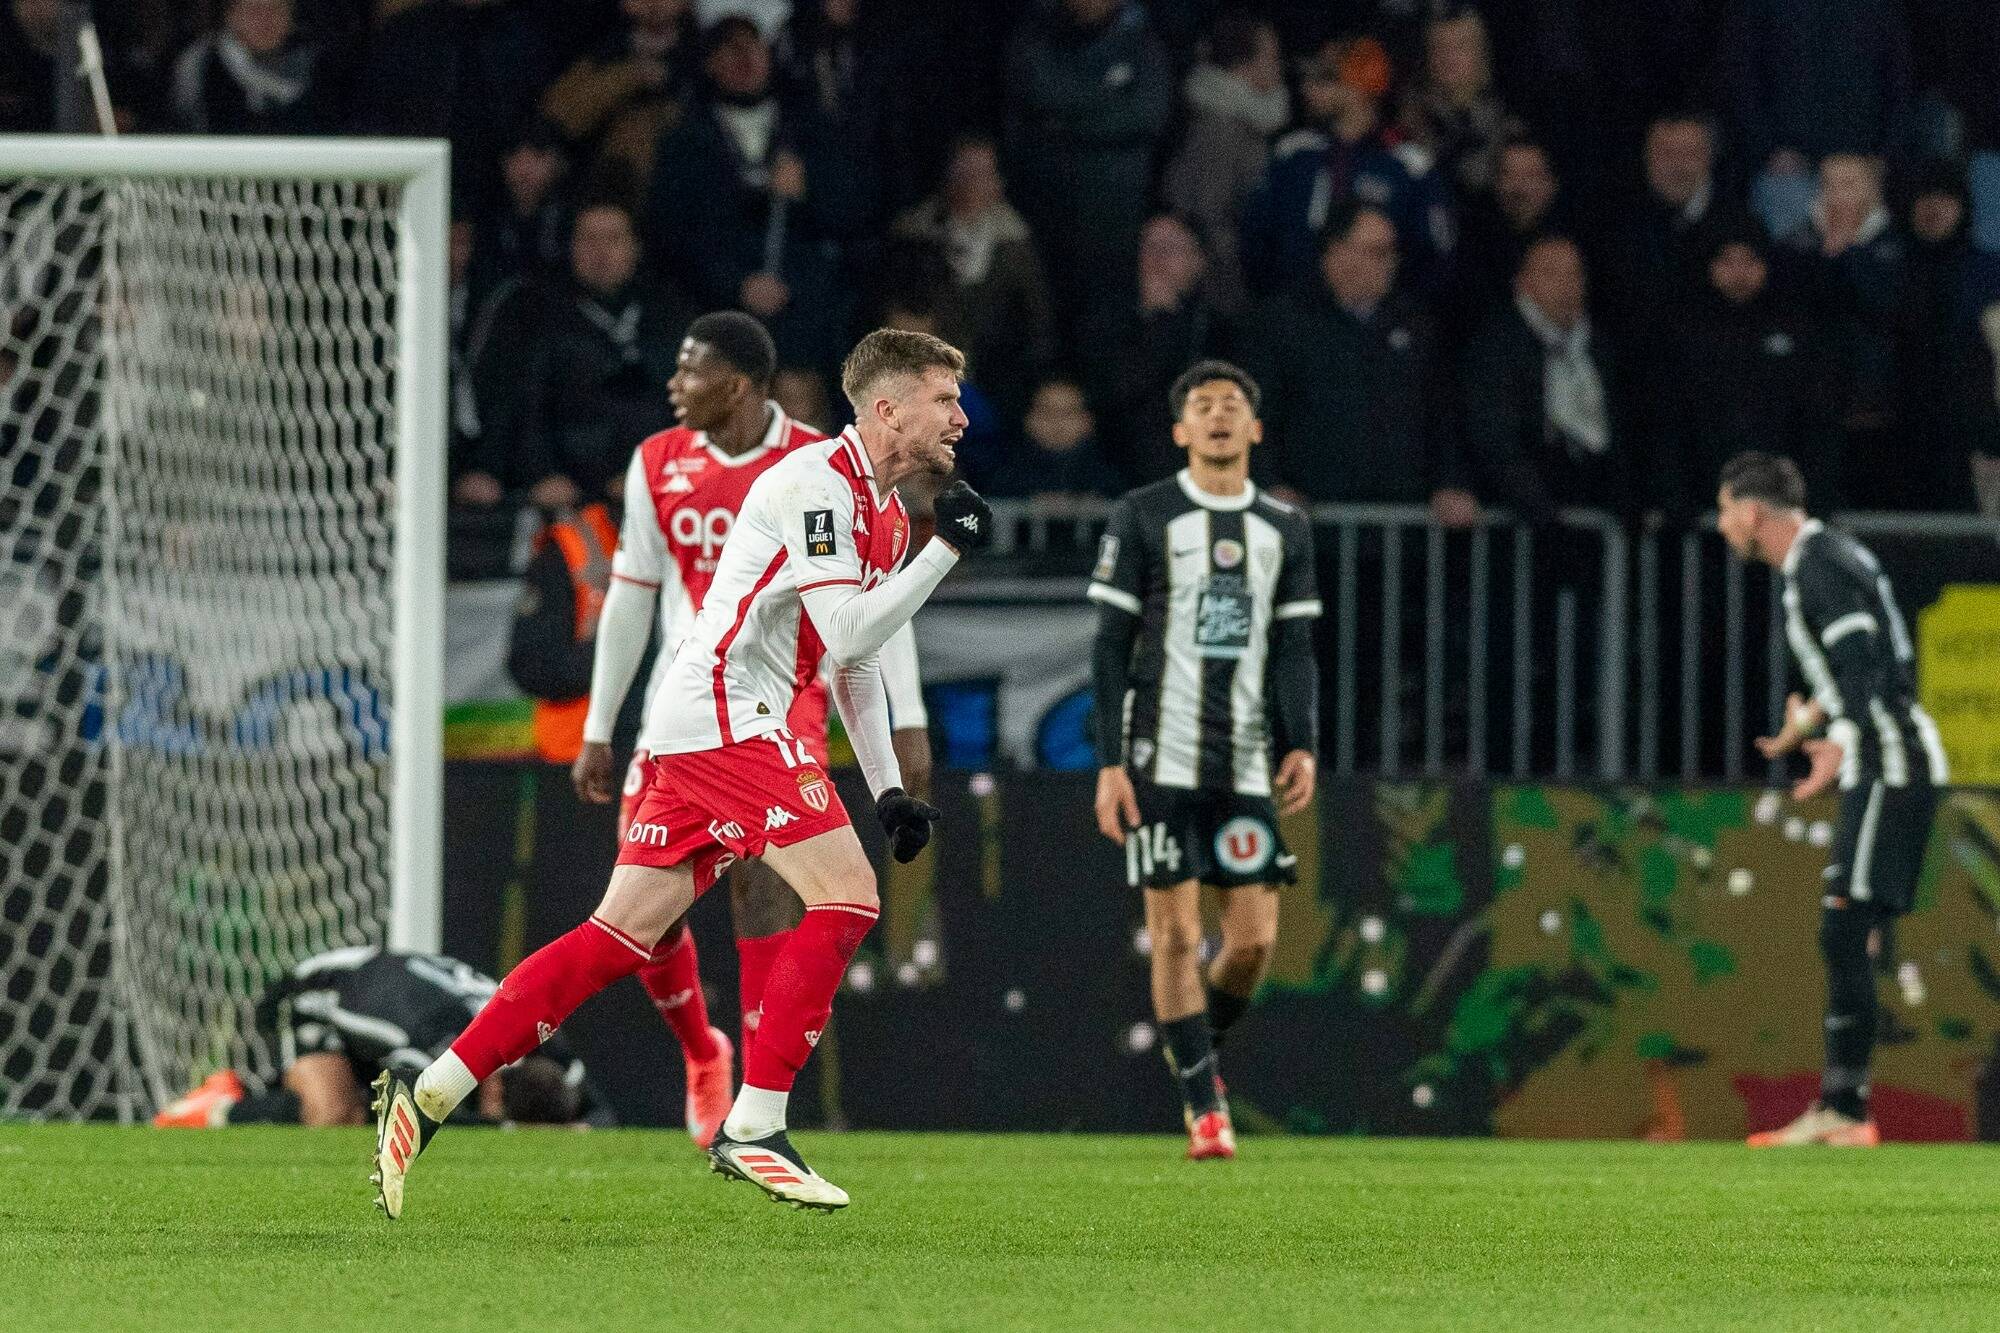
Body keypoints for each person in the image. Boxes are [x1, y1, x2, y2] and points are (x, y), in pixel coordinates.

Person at [371, 329, 992, 1217]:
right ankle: (756, 1125)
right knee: (849, 895)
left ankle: (430, 1090)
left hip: (703, 722)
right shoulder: (816, 484)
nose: (961, 418)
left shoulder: (886, 513)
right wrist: (944, 553)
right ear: (888, 408)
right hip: (726, 715)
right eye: (945, 399)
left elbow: (853, 660)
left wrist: (887, 785)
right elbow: (850, 630)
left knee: (616, 935)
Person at [570, 311, 931, 1148]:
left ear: (736, 384)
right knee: (645, 910)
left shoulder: (819, 463)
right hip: (684, 695)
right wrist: (599, 723)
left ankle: (760, 1103)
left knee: (768, 879)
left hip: (788, 691)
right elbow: (632, 592)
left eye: (689, 369)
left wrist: (906, 715)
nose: (673, 385)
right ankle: (704, 1050)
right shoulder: (657, 461)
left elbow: (874, 592)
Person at [1088, 360, 1320, 1161]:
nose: (1218, 415)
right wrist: (1109, 762)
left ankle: (1193, 1052)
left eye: (1231, 405)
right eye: (1202, 405)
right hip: (1160, 757)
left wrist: (1302, 741)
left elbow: (1295, 647)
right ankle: (1203, 1107)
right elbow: (1109, 645)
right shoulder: (1144, 513)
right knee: (1177, 933)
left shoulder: (1285, 526)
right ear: (1180, 429)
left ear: (1254, 428)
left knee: (1252, 942)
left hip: (1247, 763)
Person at [1715, 452, 1948, 1147]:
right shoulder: (1821, 561)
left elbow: (1867, 666)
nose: (1722, 525)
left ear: (1753, 512)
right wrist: (1818, 723)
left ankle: (1845, 1110)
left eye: (1725, 510)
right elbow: (1858, 672)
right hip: (1879, 757)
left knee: (1845, 926)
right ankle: (1843, 1107)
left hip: (1891, 760)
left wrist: (1841, 736)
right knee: (1847, 928)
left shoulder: (1820, 565)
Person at [153, 947, 598, 1130]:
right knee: (335, 1115)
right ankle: (219, 1106)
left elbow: (592, 1107)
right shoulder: (429, 1042)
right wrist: (503, 1128)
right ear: (496, 1088)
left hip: (380, 994)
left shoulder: (543, 1039)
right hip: (314, 995)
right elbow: (416, 1109)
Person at [168, 0, 339, 135]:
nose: (266, 20)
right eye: (254, 10)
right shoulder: (200, 65)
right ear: (232, 16)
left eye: (277, 9)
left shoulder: (319, 67)